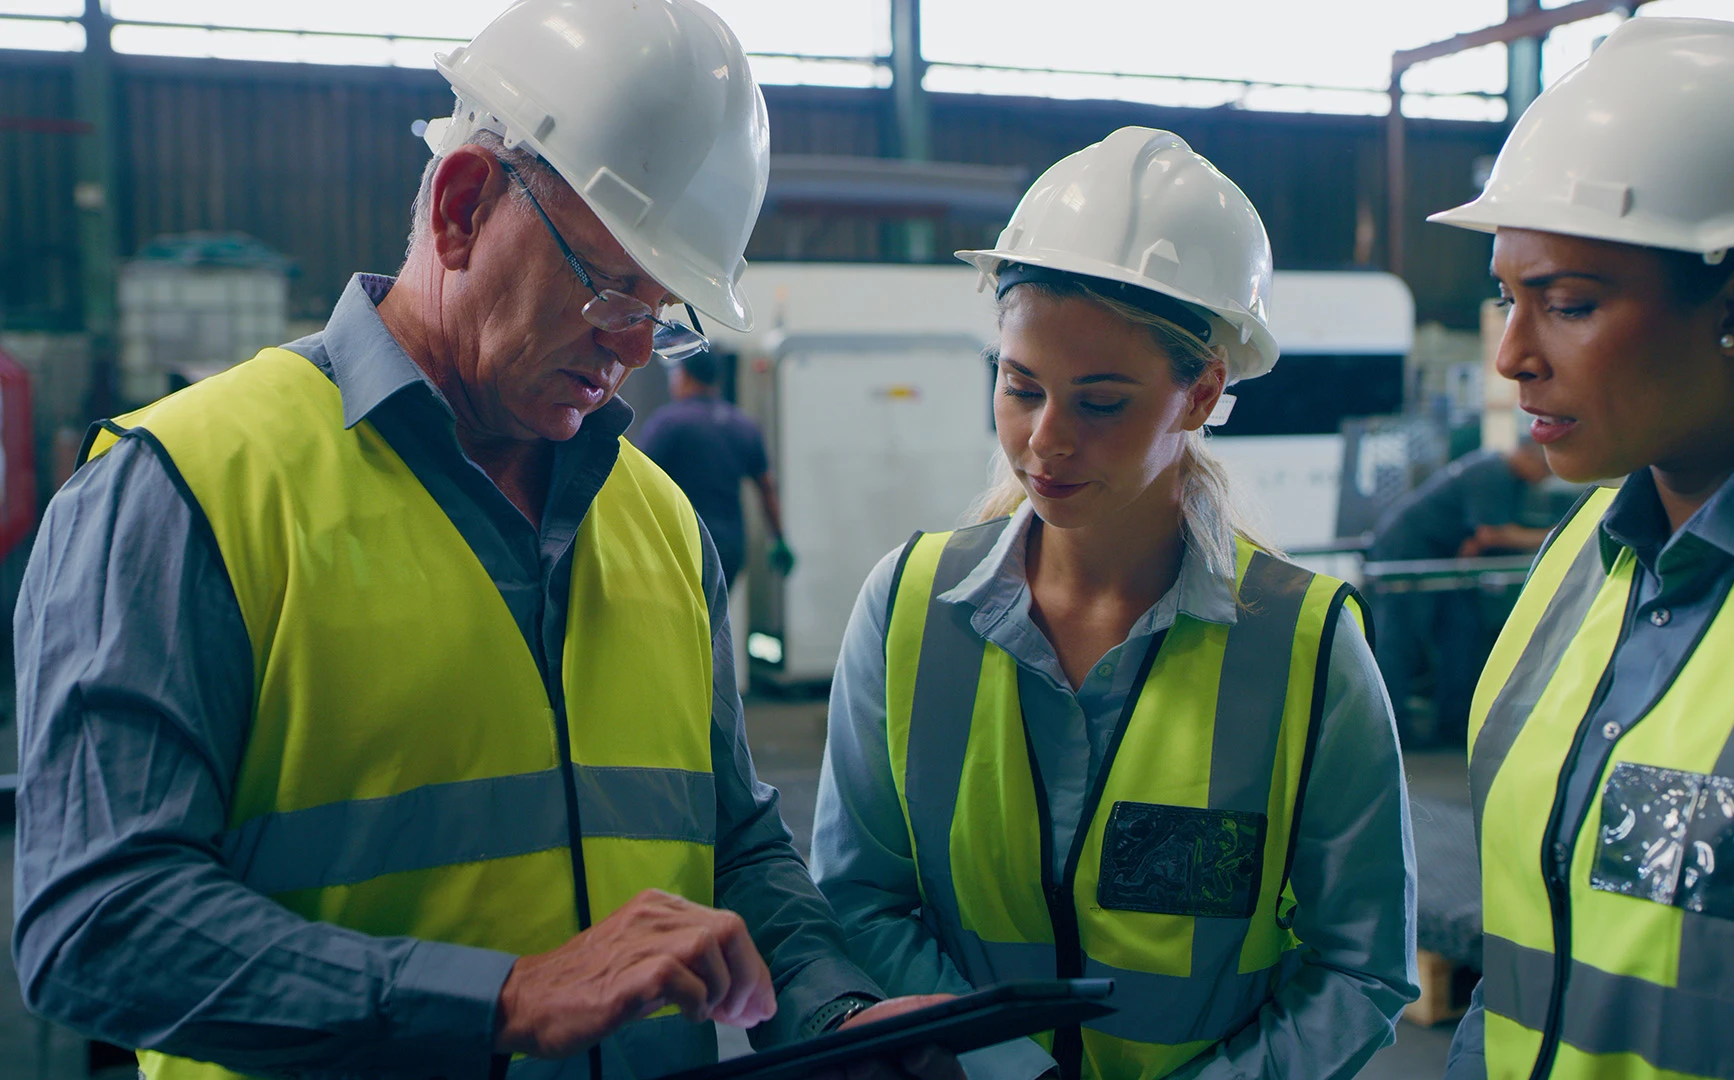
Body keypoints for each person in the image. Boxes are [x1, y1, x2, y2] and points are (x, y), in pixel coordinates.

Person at [10, 3, 957, 1078]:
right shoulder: (184, 493)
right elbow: (97, 920)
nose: (638, 349)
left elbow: (735, 843)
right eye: (610, 289)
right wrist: (498, 998)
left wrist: (835, 1012)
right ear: (462, 208)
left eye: (670, 310)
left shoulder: (656, 523)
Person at [810, 126, 1418, 1080]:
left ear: (1201, 394)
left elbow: (1361, 965)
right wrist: (1011, 1071)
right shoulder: (908, 609)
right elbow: (859, 897)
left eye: (1100, 403)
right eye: (1020, 388)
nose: (1045, 442)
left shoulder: (1306, 648)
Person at [1429, 18, 1734, 1079]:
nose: (1513, 356)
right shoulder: (1576, 565)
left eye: (1568, 304)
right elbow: (1524, 978)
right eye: (1507, 297)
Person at [1368, 439, 1555, 744]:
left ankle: (1452, 725)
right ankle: (1391, 729)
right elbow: (1492, 532)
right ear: (1525, 455)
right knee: (1402, 637)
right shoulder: (1492, 472)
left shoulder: (1509, 478)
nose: (1547, 476)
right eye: (1545, 467)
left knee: (1461, 633)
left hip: (1447, 557)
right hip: (1408, 551)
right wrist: (1556, 534)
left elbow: (1481, 535)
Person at [638, 349, 793, 586]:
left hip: (682, 544)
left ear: (684, 376)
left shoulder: (668, 423)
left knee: (683, 618)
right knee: (714, 617)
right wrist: (779, 538)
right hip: (729, 548)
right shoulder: (742, 424)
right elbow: (766, 487)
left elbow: (636, 479)